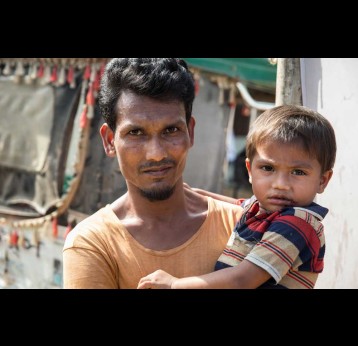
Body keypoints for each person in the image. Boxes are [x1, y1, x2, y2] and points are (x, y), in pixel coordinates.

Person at [62, 58, 243, 288]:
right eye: (136, 133)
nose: (156, 154)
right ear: (110, 141)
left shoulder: (239, 225)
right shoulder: (92, 243)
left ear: (190, 132)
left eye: (171, 130)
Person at [137, 104, 337, 289]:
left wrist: (174, 284)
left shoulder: (298, 223)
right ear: (250, 170)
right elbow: (239, 204)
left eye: (298, 172)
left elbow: (243, 279)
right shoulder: (265, 210)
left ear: (323, 180)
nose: (280, 184)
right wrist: (193, 193)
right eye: (268, 168)